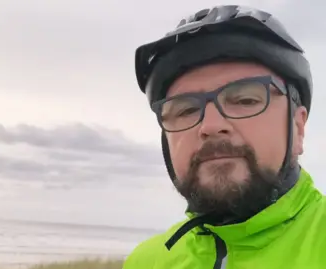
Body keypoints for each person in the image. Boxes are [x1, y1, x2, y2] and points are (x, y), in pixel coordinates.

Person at [123, 5, 326, 269]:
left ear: (298, 127)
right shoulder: (148, 261)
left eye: (244, 99)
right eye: (185, 109)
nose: (210, 126)